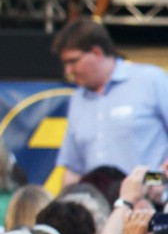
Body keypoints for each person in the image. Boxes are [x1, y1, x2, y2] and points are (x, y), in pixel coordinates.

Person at [52, 19, 168, 183]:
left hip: (150, 202)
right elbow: (73, 169)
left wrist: (156, 181)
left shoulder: (151, 80)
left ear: (97, 53)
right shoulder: (77, 99)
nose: (68, 71)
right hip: (97, 203)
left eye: (73, 61)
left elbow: (159, 179)